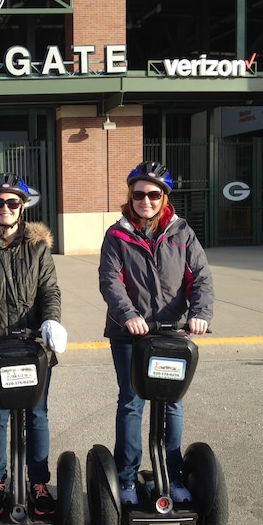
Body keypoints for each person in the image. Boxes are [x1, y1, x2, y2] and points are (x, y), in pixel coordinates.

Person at [98, 161, 214, 506]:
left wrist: (200, 314)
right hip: (129, 335)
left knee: (172, 403)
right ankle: (128, 478)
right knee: (132, 404)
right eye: (138, 194)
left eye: (153, 194)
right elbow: (110, 280)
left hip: (172, 334)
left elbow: (200, 277)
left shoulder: (182, 232)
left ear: (163, 197)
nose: (145, 201)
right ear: (130, 196)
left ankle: (173, 475)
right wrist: (129, 315)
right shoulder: (117, 235)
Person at [0, 172, 68, 517]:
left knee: (36, 415)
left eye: (12, 202)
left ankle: (38, 482)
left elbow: (49, 290)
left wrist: (51, 320)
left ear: (22, 207)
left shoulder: (37, 247)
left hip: (33, 346)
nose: (5, 208)